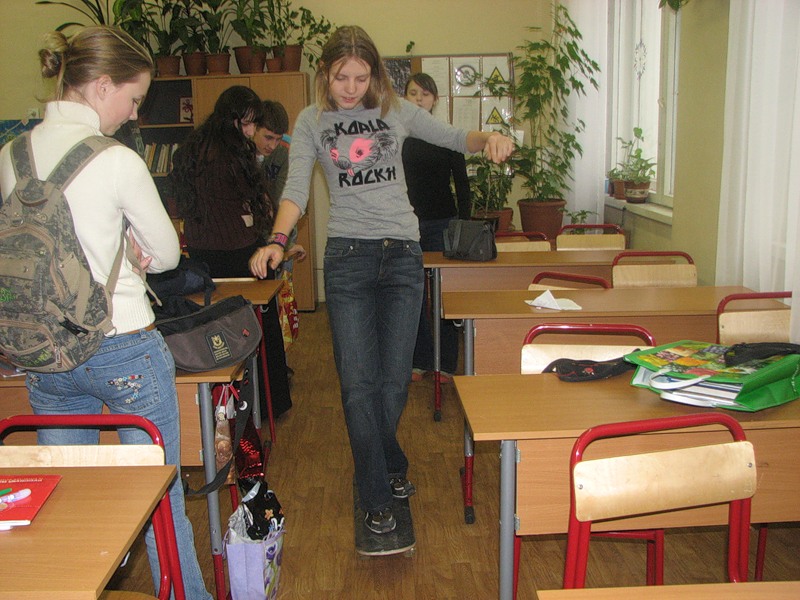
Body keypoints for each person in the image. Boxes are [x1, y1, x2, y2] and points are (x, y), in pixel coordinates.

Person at [248, 25, 514, 536]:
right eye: (341, 77)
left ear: (373, 74)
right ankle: (374, 488)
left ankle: (387, 458)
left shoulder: (396, 109)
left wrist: (490, 140)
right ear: (325, 73)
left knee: (393, 382)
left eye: (360, 77)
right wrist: (278, 239)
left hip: (402, 258)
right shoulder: (311, 121)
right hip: (348, 259)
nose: (351, 88)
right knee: (357, 384)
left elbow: (457, 138)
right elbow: (296, 189)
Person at [0, 26, 212, 599]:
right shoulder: (117, 160)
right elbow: (166, 255)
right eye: (134, 97)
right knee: (159, 494)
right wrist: (131, 248)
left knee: (69, 496)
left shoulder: (10, 157)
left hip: (46, 351)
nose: (134, 112)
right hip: (122, 345)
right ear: (100, 86)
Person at [171, 87, 293, 419]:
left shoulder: (192, 147)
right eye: (249, 123)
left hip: (201, 253)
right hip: (241, 253)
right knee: (257, 328)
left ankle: (224, 408)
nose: (252, 131)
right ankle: (267, 405)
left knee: (214, 329)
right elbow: (254, 203)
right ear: (234, 119)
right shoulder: (234, 152)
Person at [402, 73, 471, 383]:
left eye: (425, 94)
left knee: (443, 297)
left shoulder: (446, 136)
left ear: (435, 100)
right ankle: (419, 361)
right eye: (413, 93)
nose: (419, 99)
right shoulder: (398, 138)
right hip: (407, 228)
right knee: (413, 296)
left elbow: (462, 186)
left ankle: (445, 363)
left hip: (443, 224)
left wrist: (462, 226)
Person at [253, 100, 306, 352]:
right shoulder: (241, 151)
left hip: (278, 239)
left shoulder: (286, 152)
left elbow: (285, 199)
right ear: (253, 128)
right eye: (267, 137)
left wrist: (284, 243)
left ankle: (278, 360)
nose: (272, 145)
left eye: (278, 139)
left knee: (281, 307)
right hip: (254, 240)